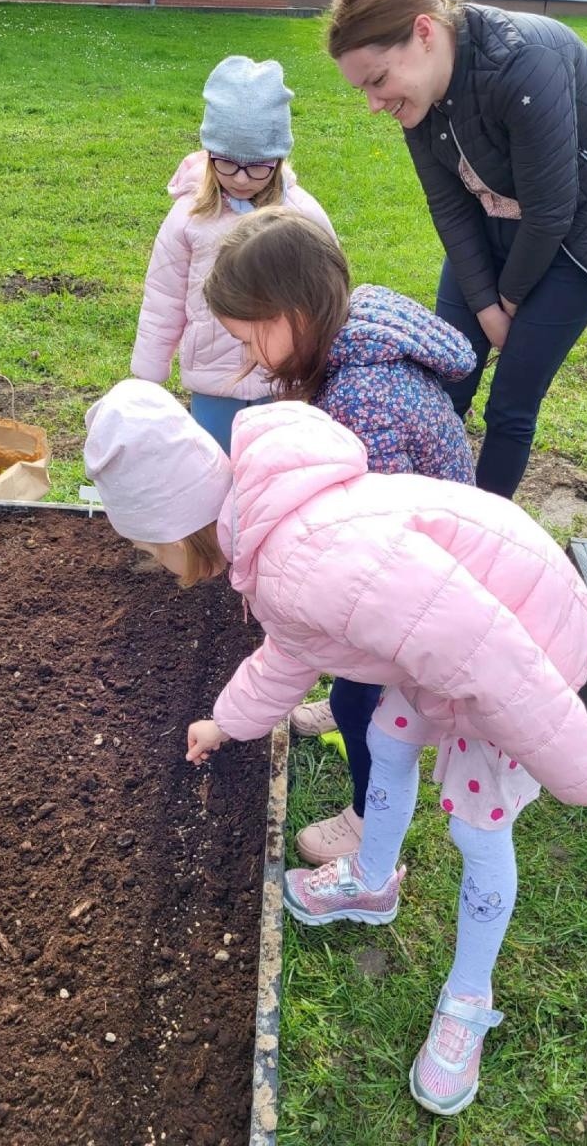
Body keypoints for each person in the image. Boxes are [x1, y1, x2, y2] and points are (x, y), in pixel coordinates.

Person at [83, 380, 587, 1117]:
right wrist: (226, 722)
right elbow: (293, 650)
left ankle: (468, 998)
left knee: (478, 828)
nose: (155, 563)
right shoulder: (269, 530)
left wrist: (582, 763)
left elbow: (485, 649)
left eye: (150, 549)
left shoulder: (303, 561)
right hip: (457, 637)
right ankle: (373, 882)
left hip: (529, 641)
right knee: (388, 737)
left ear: (178, 526)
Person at [326, 0, 587, 499]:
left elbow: (551, 210)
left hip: (581, 228)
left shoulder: (523, 63)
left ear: (424, 32)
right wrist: (486, 307)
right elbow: (449, 208)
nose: (373, 104)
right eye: (362, 89)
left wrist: (506, 302)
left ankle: (483, 529)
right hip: (497, 217)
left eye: (378, 80)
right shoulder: (416, 99)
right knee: (445, 378)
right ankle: (424, 515)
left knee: (511, 403)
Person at [203, 205, 477, 865]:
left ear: (294, 316)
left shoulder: (363, 402)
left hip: (420, 576)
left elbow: (365, 554)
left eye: (249, 340)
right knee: (358, 683)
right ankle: (360, 694)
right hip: (431, 538)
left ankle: (365, 821)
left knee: (363, 707)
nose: (248, 358)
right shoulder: (357, 335)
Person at [130, 55, 335, 454]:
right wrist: (148, 374)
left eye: (256, 167)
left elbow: (329, 298)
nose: (241, 178)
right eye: (227, 163)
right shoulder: (189, 216)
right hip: (214, 380)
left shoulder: (302, 215)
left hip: (284, 381)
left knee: (276, 464)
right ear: (209, 154)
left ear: (278, 159)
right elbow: (163, 297)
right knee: (213, 466)